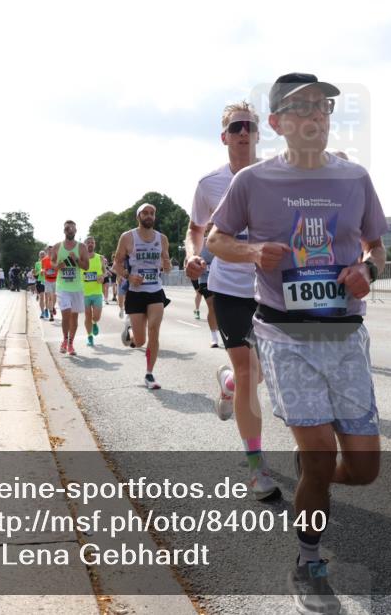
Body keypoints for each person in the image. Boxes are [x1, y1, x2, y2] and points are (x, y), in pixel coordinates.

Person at [209, 73, 388, 613]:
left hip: (345, 334)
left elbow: (377, 246)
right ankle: (308, 561)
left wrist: (367, 272)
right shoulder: (253, 181)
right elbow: (216, 238)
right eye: (302, 107)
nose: (316, 115)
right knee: (319, 457)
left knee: (364, 470)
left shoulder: (355, 178)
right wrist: (252, 251)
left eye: (324, 106)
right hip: (284, 333)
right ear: (278, 122)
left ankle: (314, 476)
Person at [186, 100, 278, 500]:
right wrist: (193, 254)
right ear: (224, 137)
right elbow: (196, 228)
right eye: (236, 127)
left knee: (259, 374)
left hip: (271, 288)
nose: (243, 132)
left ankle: (226, 385)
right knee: (247, 371)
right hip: (228, 288)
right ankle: (256, 467)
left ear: (259, 133)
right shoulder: (209, 184)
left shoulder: (277, 176)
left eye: (249, 126)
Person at [112, 203, 172, 389]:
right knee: (140, 342)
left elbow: (166, 262)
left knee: (154, 329)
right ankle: (130, 330)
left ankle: (149, 374)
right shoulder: (128, 237)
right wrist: (129, 276)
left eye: (152, 213)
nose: (149, 216)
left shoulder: (162, 238)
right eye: (145, 213)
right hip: (136, 293)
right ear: (138, 216)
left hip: (155, 291)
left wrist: (167, 265)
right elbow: (116, 265)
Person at [54, 220, 90, 356]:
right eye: (67, 228)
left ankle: (70, 343)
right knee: (66, 314)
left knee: (74, 318)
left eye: (72, 228)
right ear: (64, 231)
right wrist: (59, 266)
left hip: (77, 288)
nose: (70, 230)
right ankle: (64, 340)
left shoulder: (81, 247)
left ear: (76, 231)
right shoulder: (58, 247)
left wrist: (76, 259)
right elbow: (52, 265)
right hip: (62, 287)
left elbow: (86, 266)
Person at [82, 236, 106, 347]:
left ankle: (94, 322)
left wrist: (102, 277)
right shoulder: (80, 259)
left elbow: (105, 272)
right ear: (84, 245)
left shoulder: (100, 258)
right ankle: (89, 337)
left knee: (97, 316)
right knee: (87, 316)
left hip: (97, 292)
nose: (90, 244)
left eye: (92, 242)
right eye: (88, 242)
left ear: (94, 244)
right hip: (84, 293)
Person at [43, 246, 58, 321]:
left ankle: (52, 307)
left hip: (56, 280)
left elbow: (59, 268)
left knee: (54, 297)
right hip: (48, 281)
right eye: (48, 250)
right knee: (50, 298)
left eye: (51, 250)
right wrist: (42, 271)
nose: (50, 252)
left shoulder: (56, 259)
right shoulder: (44, 260)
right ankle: (51, 314)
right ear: (46, 251)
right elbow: (43, 268)